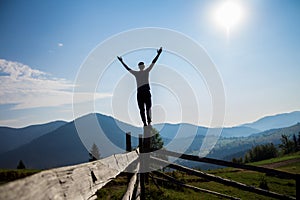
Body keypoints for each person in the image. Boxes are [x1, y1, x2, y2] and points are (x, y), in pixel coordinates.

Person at [117, 47, 162, 126]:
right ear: (142, 66)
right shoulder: (141, 73)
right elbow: (153, 63)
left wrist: (158, 54)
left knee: (145, 109)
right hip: (142, 93)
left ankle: (147, 122)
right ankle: (146, 122)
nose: (141, 67)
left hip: (143, 93)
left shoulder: (141, 73)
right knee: (145, 109)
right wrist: (158, 54)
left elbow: (153, 63)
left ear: (142, 66)